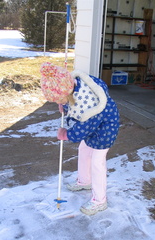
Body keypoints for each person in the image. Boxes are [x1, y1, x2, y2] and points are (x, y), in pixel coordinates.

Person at [40, 62, 119, 215]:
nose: (58, 102)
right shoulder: (74, 84)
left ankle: (99, 201)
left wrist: (66, 134)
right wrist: (67, 105)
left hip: (106, 129)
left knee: (97, 162)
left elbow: (82, 128)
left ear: (67, 91)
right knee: (83, 149)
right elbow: (74, 101)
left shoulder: (89, 104)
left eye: (59, 99)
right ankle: (85, 181)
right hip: (94, 124)